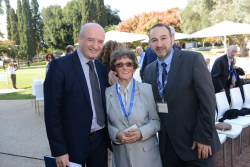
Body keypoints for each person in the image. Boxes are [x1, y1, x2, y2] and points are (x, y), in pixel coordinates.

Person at [143, 23, 221, 166]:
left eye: (163, 38)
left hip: (195, 144)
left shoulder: (193, 60)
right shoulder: (148, 71)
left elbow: (208, 102)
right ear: (150, 43)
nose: (159, 44)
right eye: (154, 40)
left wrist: (204, 137)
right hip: (167, 149)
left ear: (173, 39)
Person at [44, 23, 111, 167]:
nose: (96, 45)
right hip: (71, 143)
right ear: (80, 39)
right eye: (91, 40)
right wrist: (59, 150)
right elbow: (52, 113)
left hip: (100, 140)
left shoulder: (102, 68)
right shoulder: (59, 66)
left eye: (100, 41)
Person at [106, 47, 162, 167]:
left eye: (129, 64)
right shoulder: (106, 94)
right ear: (115, 70)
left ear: (134, 67)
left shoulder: (147, 89)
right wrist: (116, 134)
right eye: (120, 64)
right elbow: (106, 123)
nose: (125, 67)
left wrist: (141, 132)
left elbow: (156, 121)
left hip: (147, 157)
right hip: (121, 157)